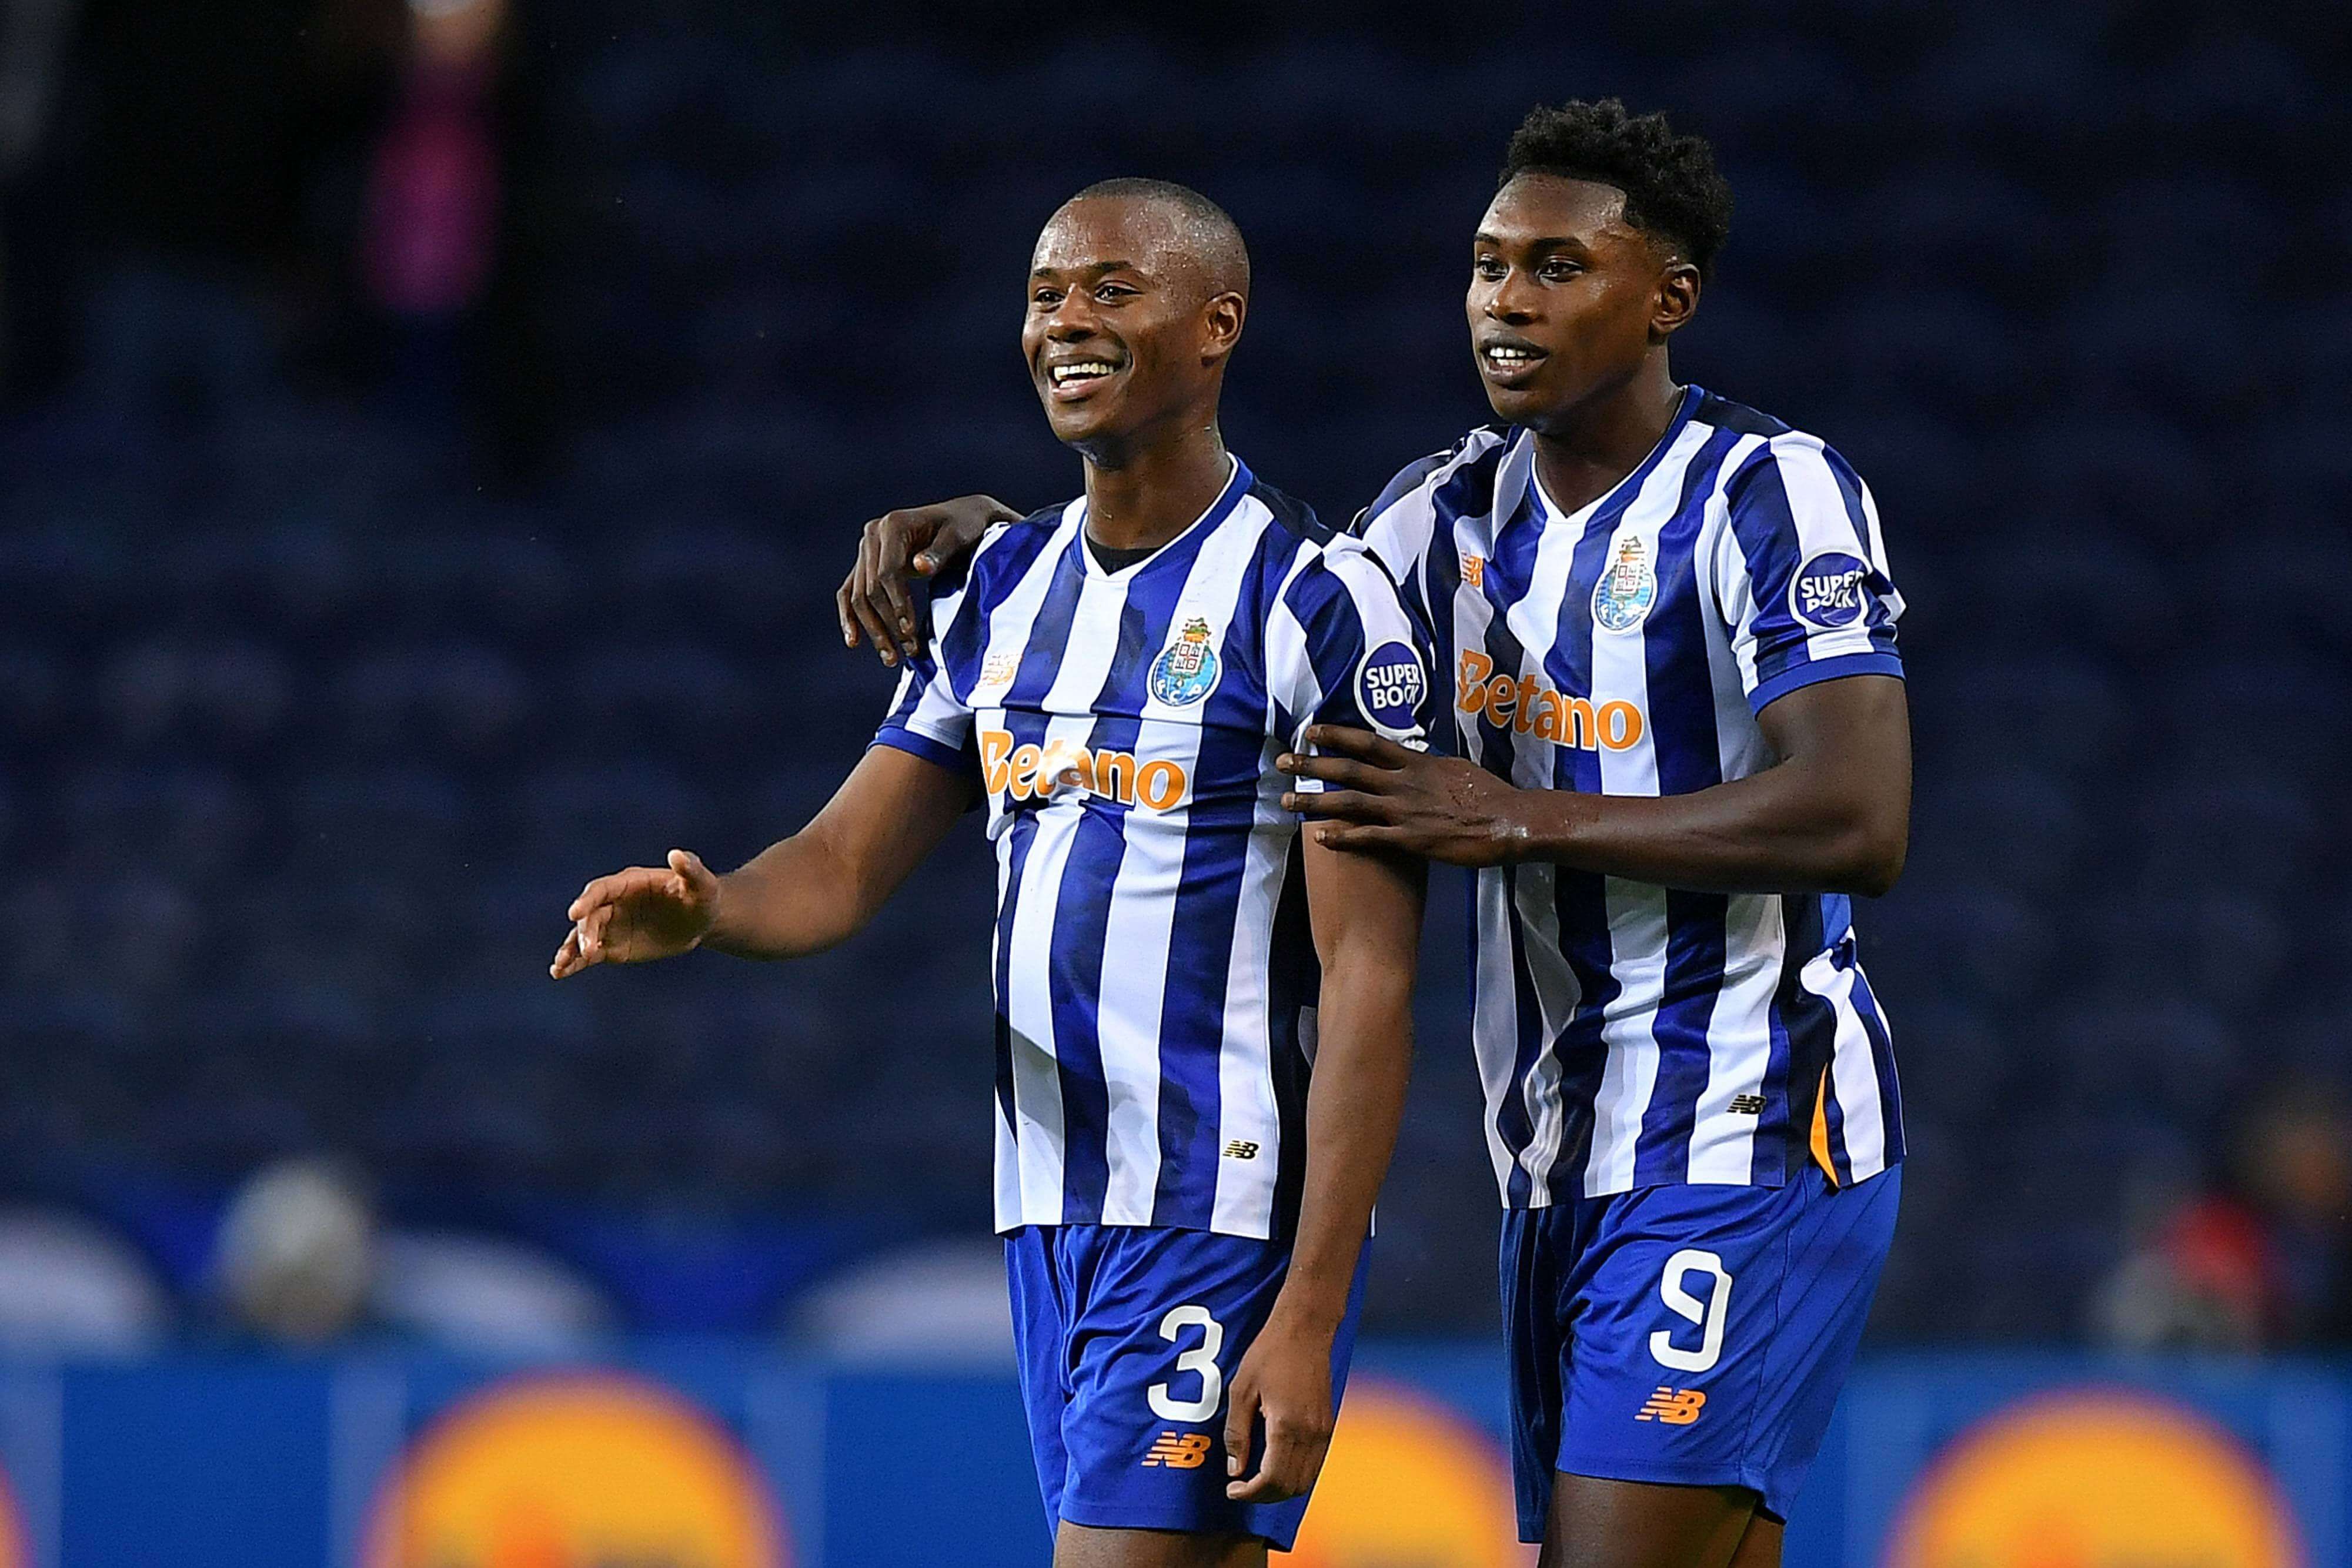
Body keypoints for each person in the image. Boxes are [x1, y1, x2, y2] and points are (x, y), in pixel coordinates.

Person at [835, 103, 1911, 1568]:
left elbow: (1858, 814)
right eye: (1485, 265)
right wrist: (1019, 530)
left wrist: (1519, 812)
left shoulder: (1765, 491)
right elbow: (1239, 577)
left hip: (1746, 1118)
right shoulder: (1437, 515)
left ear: (1667, 298)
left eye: (1554, 265)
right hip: (1554, 1150)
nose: (1506, 299)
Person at [557, 178, 1430, 1567]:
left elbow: (1372, 977)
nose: (1064, 323)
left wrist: (1311, 1307)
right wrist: (713, 906)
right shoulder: (1001, 589)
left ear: (1217, 326)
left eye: (1107, 289)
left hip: (1213, 1207)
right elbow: (840, 862)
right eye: (1042, 294)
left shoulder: (1310, 599)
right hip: (1045, 1211)